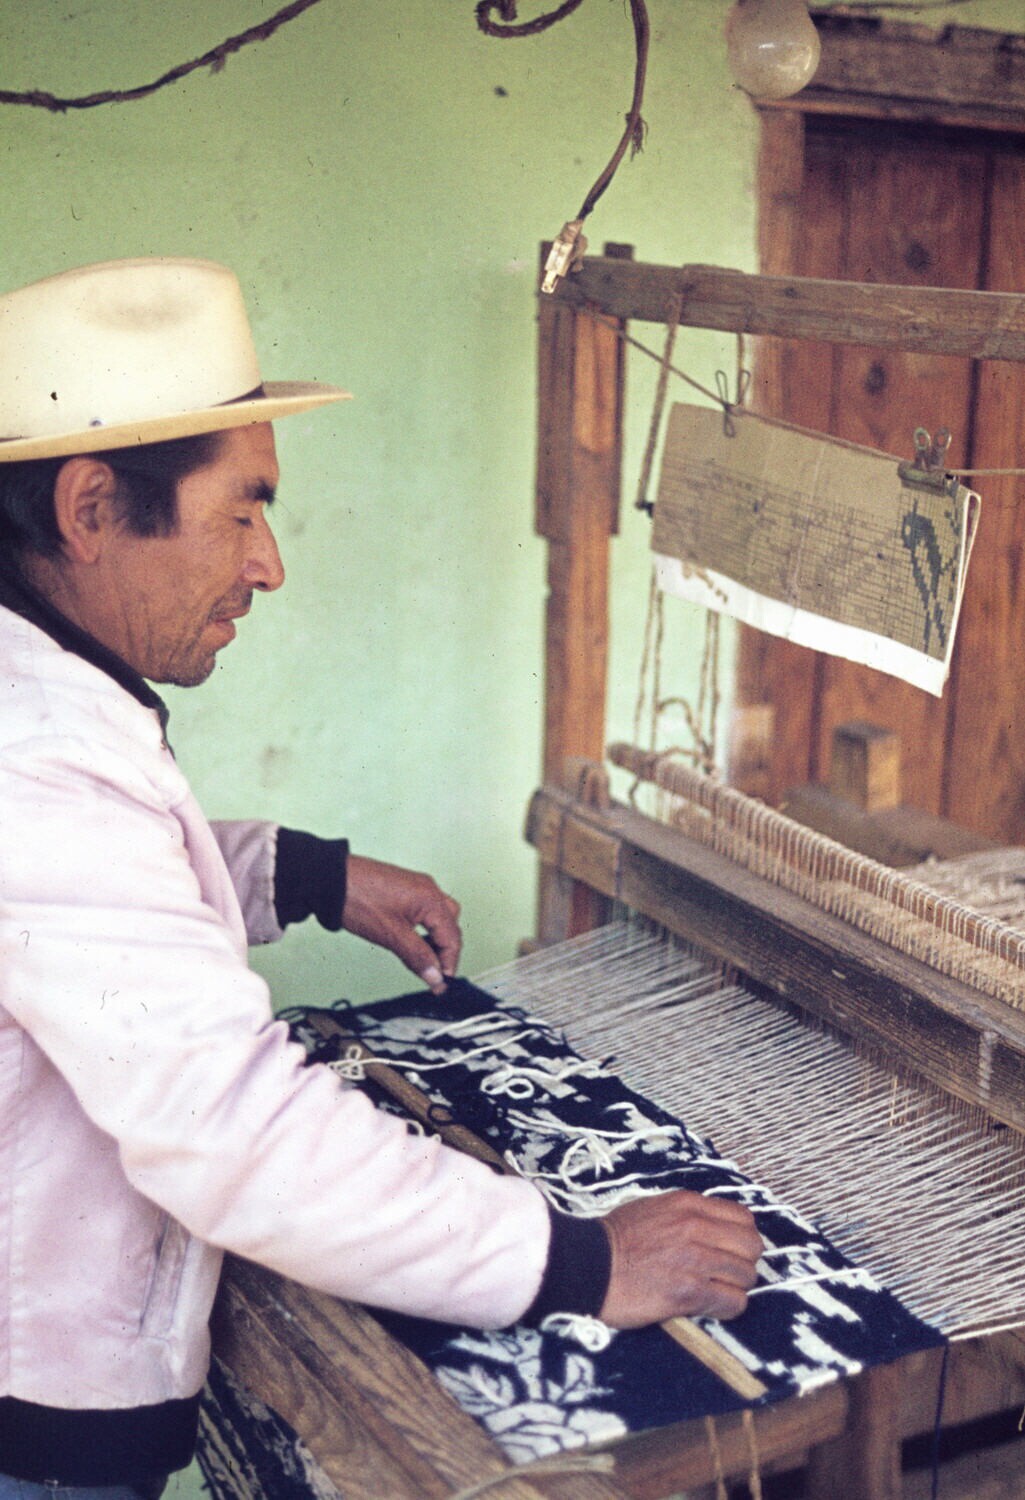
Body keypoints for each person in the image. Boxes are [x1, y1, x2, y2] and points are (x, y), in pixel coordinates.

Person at [0, 257, 763, 1496]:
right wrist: (581, 1263)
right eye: (242, 511)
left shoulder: (39, 702)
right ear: (90, 510)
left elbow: (83, 909)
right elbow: (233, 1130)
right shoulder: (32, 757)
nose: (268, 565)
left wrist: (309, 874)